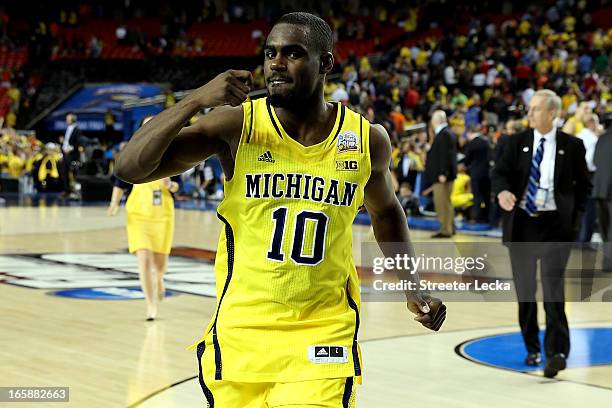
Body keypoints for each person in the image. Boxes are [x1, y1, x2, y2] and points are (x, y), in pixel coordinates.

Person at [115, 12, 445, 407]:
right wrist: (197, 99)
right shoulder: (237, 126)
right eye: (270, 53)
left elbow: (387, 213)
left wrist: (413, 287)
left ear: (325, 63)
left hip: (322, 332)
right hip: (242, 331)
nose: (276, 62)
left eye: (292, 53)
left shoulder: (365, 140)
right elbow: (130, 167)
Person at [492, 89, 590, 378]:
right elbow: (499, 173)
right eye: (530, 108)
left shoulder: (572, 146)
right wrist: (503, 192)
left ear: (552, 113)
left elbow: (584, 187)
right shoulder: (515, 142)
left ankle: (557, 352)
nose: (530, 113)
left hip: (554, 228)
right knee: (526, 293)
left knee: (553, 292)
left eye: (535, 109)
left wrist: (573, 222)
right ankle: (532, 347)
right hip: (522, 226)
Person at [109, 117, 180, 320]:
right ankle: (151, 305)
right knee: (143, 261)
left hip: (163, 214)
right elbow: (120, 180)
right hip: (138, 213)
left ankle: (159, 279)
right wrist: (114, 203)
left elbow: (177, 186)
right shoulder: (134, 153)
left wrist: (170, 185)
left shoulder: (174, 152)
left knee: (159, 266)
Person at [425, 110, 457, 238]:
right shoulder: (446, 133)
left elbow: (445, 155)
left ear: (437, 120)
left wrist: (443, 172)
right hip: (444, 175)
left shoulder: (443, 134)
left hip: (442, 176)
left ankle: (445, 230)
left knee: (442, 203)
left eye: (433, 119)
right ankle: (451, 227)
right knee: (447, 203)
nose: (431, 122)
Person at [575, 113, 600, 245]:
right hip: (588, 176)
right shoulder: (593, 139)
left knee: (579, 208)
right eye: (595, 122)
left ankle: (577, 238)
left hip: (575, 176)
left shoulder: (578, 136)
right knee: (589, 209)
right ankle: (583, 240)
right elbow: (591, 161)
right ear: (591, 123)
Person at [592, 128, 612, 271]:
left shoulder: (602, 138)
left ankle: (607, 260)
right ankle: (608, 262)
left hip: (599, 188)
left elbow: (595, 160)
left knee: (604, 227)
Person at [463, 125, 491, 223]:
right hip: (487, 173)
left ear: (470, 132)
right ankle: (488, 217)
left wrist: (466, 165)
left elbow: (467, 160)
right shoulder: (486, 141)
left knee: (477, 196)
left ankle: (478, 217)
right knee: (486, 196)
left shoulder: (472, 144)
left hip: (476, 173)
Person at [60, 112, 82, 197]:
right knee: (64, 172)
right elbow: (65, 142)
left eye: (68, 119)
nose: (66, 120)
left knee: (74, 173)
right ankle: (67, 190)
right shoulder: (66, 129)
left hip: (73, 154)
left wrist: (70, 149)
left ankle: (76, 191)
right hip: (65, 154)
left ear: (73, 119)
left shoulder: (77, 130)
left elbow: (78, 143)